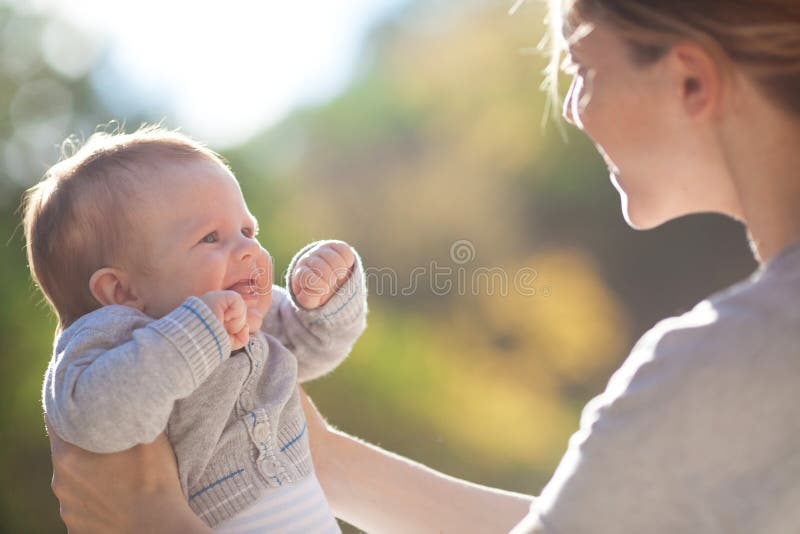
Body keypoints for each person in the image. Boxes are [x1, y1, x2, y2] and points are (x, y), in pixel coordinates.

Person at [44, 0, 800, 532]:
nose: (570, 108)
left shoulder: (737, 368)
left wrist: (148, 524)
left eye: (580, 71)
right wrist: (326, 461)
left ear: (691, 82)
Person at [25, 127, 368, 532]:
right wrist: (195, 337)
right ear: (122, 290)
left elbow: (312, 348)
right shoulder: (108, 337)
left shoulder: (245, 307)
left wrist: (324, 299)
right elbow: (91, 418)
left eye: (247, 231)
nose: (248, 250)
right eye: (210, 238)